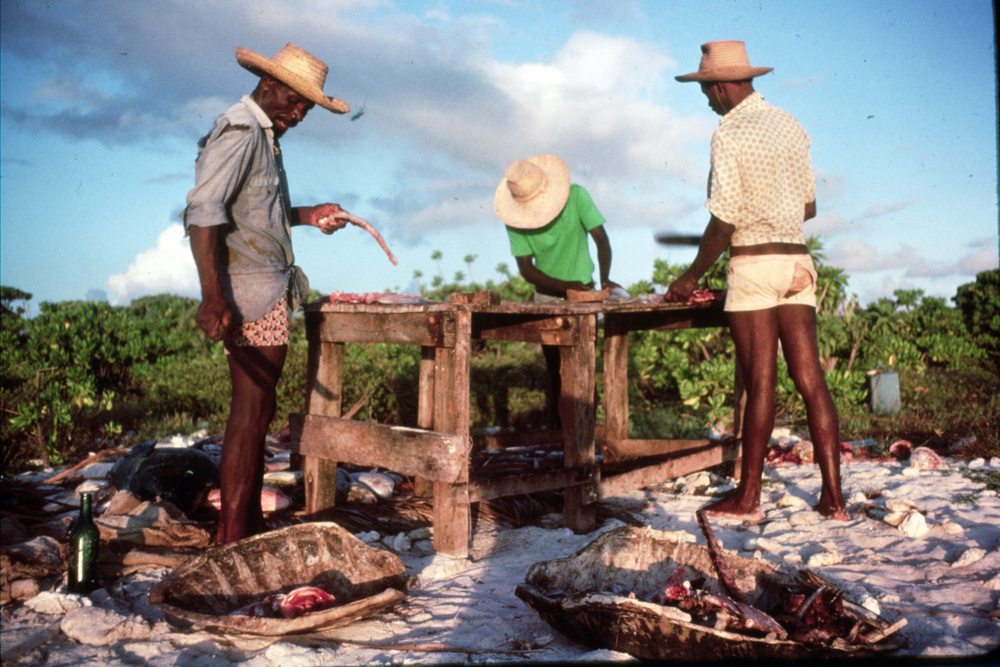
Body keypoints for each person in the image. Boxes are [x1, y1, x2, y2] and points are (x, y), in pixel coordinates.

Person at [667, 41, 848, 521]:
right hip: (797, 263)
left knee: (761, 380)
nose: (706, 100)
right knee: (811, 379)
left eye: (707, 92)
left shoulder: (728, 133)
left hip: (753, 263)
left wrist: (689, 277)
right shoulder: (791, 124)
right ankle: (834, 498)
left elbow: (723, 221)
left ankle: (748, 498)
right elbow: (808, 206)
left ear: (722, 87)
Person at [184, 43, 352, 544]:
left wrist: (308, 213)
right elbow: (203, 212)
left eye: (305, 108)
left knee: (256, 410)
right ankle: (232, 534)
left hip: (265, 286)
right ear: (268, 84)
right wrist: (212, 296)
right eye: (293, 102)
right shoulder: (239, 131)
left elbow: (256, 213)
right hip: (249, 291)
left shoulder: (264, 135)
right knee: (250, 411)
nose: (298, 114)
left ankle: (242, 525)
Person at [493, 154, 620, 426]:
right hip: (546, 298)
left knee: (585, 369)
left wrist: (606, 279)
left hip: (584, 297)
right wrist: (565, 286)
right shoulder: (516, 220)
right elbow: (527, 270)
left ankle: (587, 434)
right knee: (557, 373)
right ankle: (562, 436)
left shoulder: (577, 197)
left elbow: (602, 240)